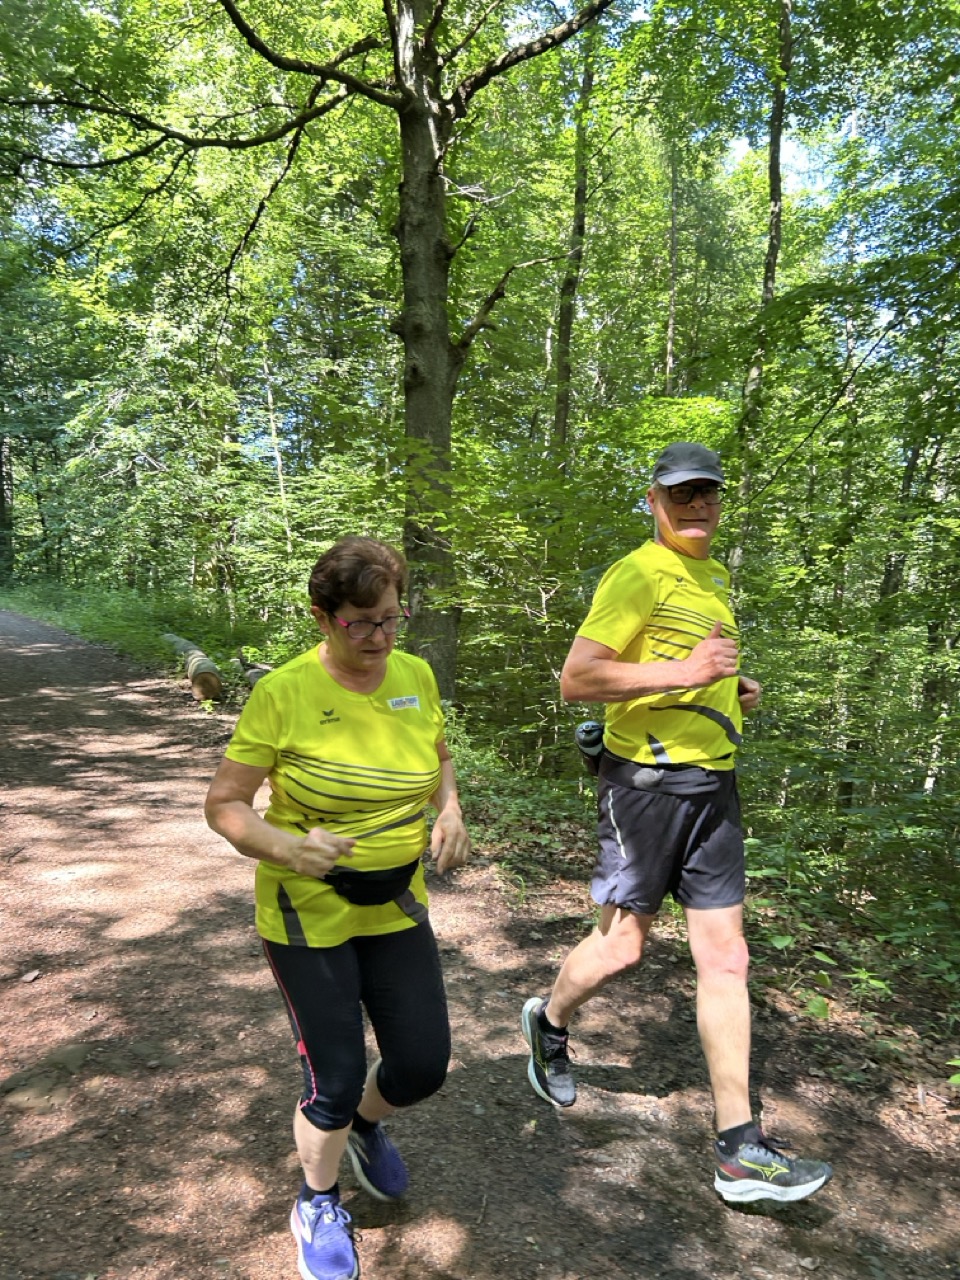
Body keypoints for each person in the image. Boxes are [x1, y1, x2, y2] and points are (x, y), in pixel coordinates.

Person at [520, 442, 832, 1205]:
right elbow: (578, 678)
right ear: (654, 502)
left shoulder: (714, 578)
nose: (697, 506)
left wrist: (730, 690)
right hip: (644, 789)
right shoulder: (638, 573)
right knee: (622, 949)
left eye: (708, 494)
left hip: (714, 787)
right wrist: (687, 673)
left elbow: (689, 671)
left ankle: (739, 1150)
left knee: (727, 960)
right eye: (681, 494)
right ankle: (549, 1021)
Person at [205, 536, 470, 1280]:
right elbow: (225, 805)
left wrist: (450, 809)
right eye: (361, 622)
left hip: (397, 901)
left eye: (391, 618)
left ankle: (363, 1128)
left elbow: (438, 756)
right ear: (323, 618)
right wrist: (287, 848)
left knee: (421, 1065)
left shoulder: (414, 675)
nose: (380, 637)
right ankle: (316, 1201)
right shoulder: (284, 692)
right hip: (307, 912)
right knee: (335, 1076)